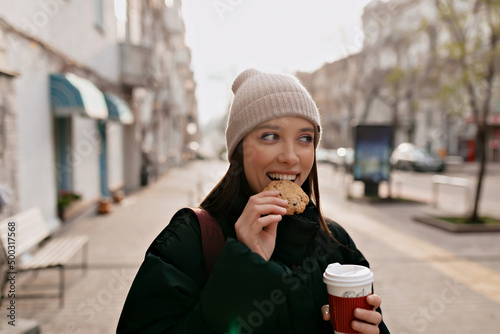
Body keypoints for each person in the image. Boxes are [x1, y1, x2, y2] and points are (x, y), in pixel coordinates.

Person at [117, 68, 390, 333]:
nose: (291, 156)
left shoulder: (334, 241)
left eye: (305, 138)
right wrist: (243, 265)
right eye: (270, 136)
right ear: (239, 149)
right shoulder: (189, 240)